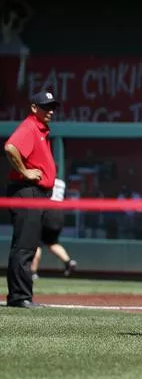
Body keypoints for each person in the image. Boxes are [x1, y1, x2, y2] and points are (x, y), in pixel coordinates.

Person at [3, 91, 60, 308]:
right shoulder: (29, 126)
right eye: (46, 107)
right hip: (27, 190)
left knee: (29, 245)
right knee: (24, 247)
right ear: (34, 108)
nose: (50, 111)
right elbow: (10, 147)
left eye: (52, 107)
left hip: (37, 193)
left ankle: (22, 295)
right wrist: (26, 172)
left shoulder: (41, 129)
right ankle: (19, 297)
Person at [30, 208, 78, 280]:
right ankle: (68, 262)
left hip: (46, 214)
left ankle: (33, 273)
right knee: (52, 243)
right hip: (59, 216)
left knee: (36, 243)